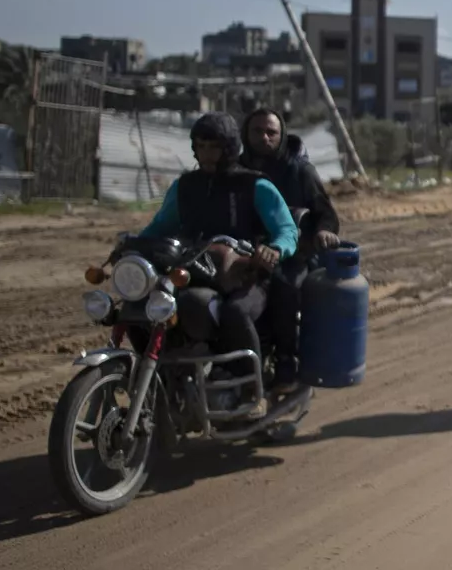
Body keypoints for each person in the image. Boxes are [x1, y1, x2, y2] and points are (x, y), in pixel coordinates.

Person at [140, 113, 299, 392]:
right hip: (194, 273)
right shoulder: (185, 187)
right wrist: (133, 246)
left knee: (235, 312)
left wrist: (274, 249)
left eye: (213, 146)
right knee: (146, 308)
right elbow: (158, 228)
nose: (206, 153)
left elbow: (287, 230)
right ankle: (162, 379)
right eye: (200, 146)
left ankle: (252, 390)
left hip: (247, 275)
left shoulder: (254, 185)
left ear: (229, 148)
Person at [240, 108, 342, 392]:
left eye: (271, 132)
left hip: (294, 255)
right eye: (257, 131)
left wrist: (323, 231)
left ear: (281, 134)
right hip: (247, 253)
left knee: (283, 286)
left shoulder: (299, 170)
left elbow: (327, 213)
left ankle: (286, 361)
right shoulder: (237, 171)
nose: (264, 137)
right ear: (245, 135)